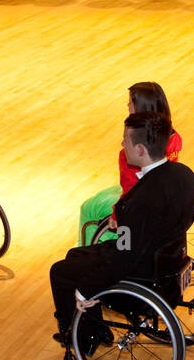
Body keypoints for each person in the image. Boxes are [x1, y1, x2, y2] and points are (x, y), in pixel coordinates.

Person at [50, 111, 194, 358]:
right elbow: (190, 215)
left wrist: (85, 290)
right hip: (166, 257)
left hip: (141, 272)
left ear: (140, 150)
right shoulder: (185, 175)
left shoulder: (138, 202)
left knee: (61, 271)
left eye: (125, 141)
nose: (122, 145)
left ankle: (81, 336)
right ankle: (94, 329)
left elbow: (124, 257)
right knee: (75, 254)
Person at [77, 83, 182, 246]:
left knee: (88, 208)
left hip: (140, 199)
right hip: (162, 192)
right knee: (102, 196)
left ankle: (91, 248)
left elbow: (130, 190)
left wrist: (116, 212)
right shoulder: (173, 136)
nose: (127, 105)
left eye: (130, 103)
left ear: (141, 107)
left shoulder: (132, 154)